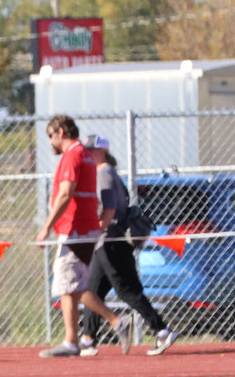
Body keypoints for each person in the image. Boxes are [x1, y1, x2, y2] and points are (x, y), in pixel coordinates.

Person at [37, 116, 134, 358]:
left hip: (75, 229)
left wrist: (46, 226)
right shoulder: (85, 155)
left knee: (70, 284)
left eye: (51, 135)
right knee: (69, 286)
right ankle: (79, 338)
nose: (51, 142)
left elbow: (66, 193)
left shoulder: (73, 154)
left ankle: (107, 326)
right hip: (81, 229)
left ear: (61, 131)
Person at [78, 134, 178, 356]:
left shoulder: (103, 172)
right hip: (106, 242)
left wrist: (96, 231)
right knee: (93, 290)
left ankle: (162, 330)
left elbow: (110, 209)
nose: (86, 154)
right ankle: (87, 338)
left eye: (90, 150)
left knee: (127, 290)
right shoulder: (106, 172)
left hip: (111, 241)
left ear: (101, 151)